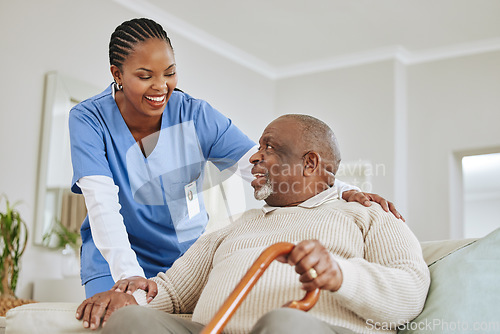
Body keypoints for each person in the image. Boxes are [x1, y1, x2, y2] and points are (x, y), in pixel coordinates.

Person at [69, 17, 404, 298]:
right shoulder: (88, 119)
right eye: (145, 76)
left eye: (169, 73)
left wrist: (341, 189)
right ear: (117, 74)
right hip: (113, 258)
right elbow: (102, 204)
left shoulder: (196, 116)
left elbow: (262, 167)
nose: (161, 87)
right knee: (117, 321)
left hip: (182, 260)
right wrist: (128, 274)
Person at [75, 114, 430, 334]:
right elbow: (169, 292)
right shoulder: (236, 226)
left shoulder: (367, 214)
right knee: (130, 322)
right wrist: (127, 299)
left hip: (309, 329)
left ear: (310, 163)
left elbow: (411, 292)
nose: (255, 156)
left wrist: (340, 275)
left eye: (270, 147)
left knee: (284, 324)